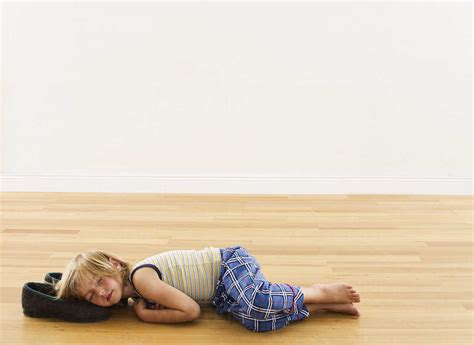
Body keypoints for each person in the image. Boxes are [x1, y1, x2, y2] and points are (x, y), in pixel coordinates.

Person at [55, 246, 361, 332]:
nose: (100, 293)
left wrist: (147, 317)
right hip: (219, 292)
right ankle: (321, 307)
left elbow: (189, 312)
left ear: (113, 264)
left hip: (228, 264)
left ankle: (318, 292)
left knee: (254, 300)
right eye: (91, 296)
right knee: (254, 321)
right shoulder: (137, 293)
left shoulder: (140, 279)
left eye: (99, 281)